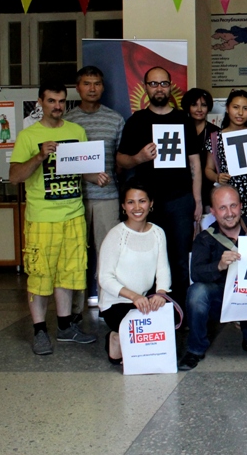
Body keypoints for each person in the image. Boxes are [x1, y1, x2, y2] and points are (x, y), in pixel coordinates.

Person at [9, 79, 97, 355]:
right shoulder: (28, 136)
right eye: (51, 101)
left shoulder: (77, 131)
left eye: (61, 101)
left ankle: (65, 327)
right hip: (42, 217)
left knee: (68, 275)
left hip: (73, 214)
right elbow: (14, 178)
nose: (57, 106)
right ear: (40, 103)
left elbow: (83, 169)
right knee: (39, 276)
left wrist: (97, 175)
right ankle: (39, 331)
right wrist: (39, 156)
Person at [178, 185, 247, 371]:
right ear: (213, 212)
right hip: (221, 298)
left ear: (241, 206)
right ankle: (195, 349)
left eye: (233, 206)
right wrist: (219, 266)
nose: (229, 213)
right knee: (196, 292)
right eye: (222, 208)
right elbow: (196, 273)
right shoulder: (206, 238)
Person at [116, 66, 201, 305]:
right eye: (154, 84)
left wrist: (197, 201)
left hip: (180, 199)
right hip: (147, 203)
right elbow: (120, 159)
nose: (159, 88)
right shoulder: (137, 121)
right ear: (146, 88)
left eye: (164, 84)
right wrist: (138, 158)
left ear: (171, 86)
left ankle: (179, 311)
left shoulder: (183, 119)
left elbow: (194, 160)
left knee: (180, 258)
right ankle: (151, 308)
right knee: (148, 258)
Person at [65, 65, 125, 313]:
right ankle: (74, 309)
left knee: (107, 255)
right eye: (87, 83)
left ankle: (106, 305)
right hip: (71, 199)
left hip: (107, 198)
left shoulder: (115, 119)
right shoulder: (67, 120)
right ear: (78, 87)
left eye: (97, 83)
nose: (92, 88)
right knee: (75, 256)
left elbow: (120, 161)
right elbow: (61, 163)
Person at [97, 179, 172, 365]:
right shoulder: (116, 235)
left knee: (167, 319)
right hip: (117, 303)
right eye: (130, 202)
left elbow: (163, 269)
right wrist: (134, 297)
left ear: (151, 203)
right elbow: (104, 278)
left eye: (142, 201)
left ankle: (123, 340)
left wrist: (161, 293)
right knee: (142, 329)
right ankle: (116, 337)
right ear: (123, 206)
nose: (137, 207)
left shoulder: (158, 233)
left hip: (143, 301)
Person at [205, 90, 247, 232]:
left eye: (245, 108)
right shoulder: (215, 138)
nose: (240, 113)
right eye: (235, 107)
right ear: (227, 108)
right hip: (229, 197)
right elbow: (208, 169)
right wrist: (217, 177)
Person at [182, 87, 220, 213]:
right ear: (187, 107)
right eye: (194, 105)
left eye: (203, 105)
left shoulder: (215, 132)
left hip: (209, 188)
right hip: (185, 188)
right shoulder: (180, 131)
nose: (199, 109)